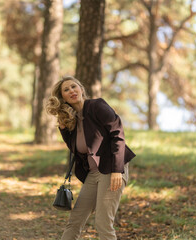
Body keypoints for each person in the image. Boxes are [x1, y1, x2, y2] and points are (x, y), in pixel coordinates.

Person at [46, 76, 136, 240]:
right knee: (75, 221)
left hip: (111, 170)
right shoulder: (71, 119)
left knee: (103, 223)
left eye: (74, 86)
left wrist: (117, 170)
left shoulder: (96, 106)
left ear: (81, 88)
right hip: (93, 174)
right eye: (66, 90)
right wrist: (64, 128)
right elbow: (74, 149)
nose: (71, 91)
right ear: (62, 98)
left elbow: (118, 135)